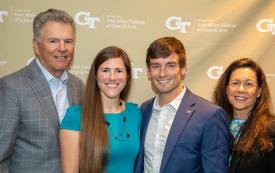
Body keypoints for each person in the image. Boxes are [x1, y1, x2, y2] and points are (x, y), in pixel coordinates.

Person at [0, 9, 84, 173]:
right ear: (36, 46)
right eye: (53, 41)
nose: (62, 48)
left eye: (68, 41)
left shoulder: (78, 86)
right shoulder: (12, 87)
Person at [134, 37, 229, 173]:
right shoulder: (144, 110)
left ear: (183, 69)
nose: (162, 73)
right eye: (156, 66)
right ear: (149, 72)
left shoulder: (209, 115)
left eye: (170, 65)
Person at [60, 46, 141, 173]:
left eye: (119, 70)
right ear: (95, 75)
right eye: (105, 70)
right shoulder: (76, 117)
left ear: (127, 75)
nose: (112, 77)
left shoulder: (135, 113)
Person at [213, 58, 275, 173]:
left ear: (259, 91)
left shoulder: (271, 130)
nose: (241, 89)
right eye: (235, 83)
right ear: (227, 89)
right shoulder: (213, 124)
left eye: (249, 84)